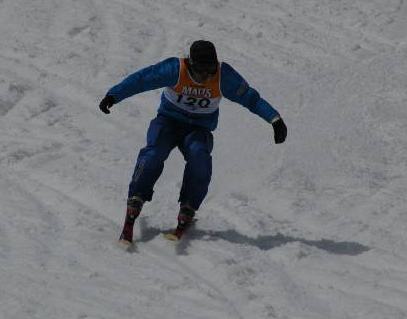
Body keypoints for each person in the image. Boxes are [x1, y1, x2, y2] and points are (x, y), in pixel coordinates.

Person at [99, 40, 287, 246]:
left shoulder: (223, 75)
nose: (206, 76)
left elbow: (250, 98)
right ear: (190, 63)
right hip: (168, 122)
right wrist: (114, 95)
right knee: (153, 154)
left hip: (199, 129)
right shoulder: (175, 70)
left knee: (200, 158)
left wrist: (274, 119)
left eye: (210, 69)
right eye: (200, 70)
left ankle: (189, 205)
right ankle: (136, 196)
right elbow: (142, 79)